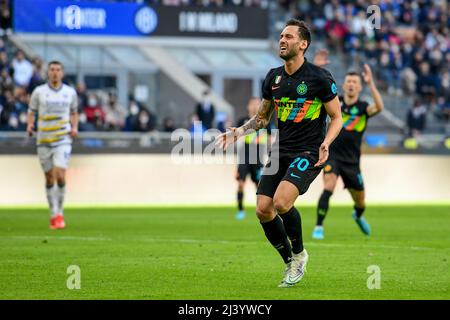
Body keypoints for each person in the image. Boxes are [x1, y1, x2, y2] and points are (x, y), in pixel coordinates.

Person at [216, 19, 342, 287]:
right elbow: (262, 118)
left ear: (303, 44)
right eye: (281, 37)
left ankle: (299, 254)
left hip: (308, 151)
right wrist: (238, 131)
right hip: (280, 150)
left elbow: (337, 117)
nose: (282, 40)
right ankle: (289, 261)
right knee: (263, 209)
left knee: (282, 202)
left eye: (288, 37)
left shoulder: (320, 78)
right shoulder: (274, 77)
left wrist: (327, 142)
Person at [312, 64, 384, 240]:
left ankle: (358, 215)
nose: (351, 84)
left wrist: (371, 83)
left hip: (352, 161)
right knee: (328, 186)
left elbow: (379, 107)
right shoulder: (336, 103)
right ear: (344, 86)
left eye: (355, 82)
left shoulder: (363, 108)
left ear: (359, 87)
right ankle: (319, 226)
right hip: (332, 156)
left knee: (360, 202)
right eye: (348, 81)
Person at [27, 61, 78, 229]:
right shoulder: (39, 92)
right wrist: (29, 125)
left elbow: (74, 112)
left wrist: (75, 127)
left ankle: (60, 213)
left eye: (58, 70)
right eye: (52, 70)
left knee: (60, 175)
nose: (55, 73)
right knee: (49, 177)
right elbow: (31, 111)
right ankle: (53, 212)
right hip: (43, 140)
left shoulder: (69, 93)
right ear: (48, 73)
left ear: (62, 73)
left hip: (63, 139)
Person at [235, 97, 269, 220]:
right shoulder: (242, 121)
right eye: (253, 104)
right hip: (244, 158)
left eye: (257, 104)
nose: (255, 106)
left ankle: (259, 209)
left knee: (259, 186)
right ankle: (240, 210)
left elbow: (272, 137)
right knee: (240, 184)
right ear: (248, 106)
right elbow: (237, 136)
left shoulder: (265, 121)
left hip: (258, 159)